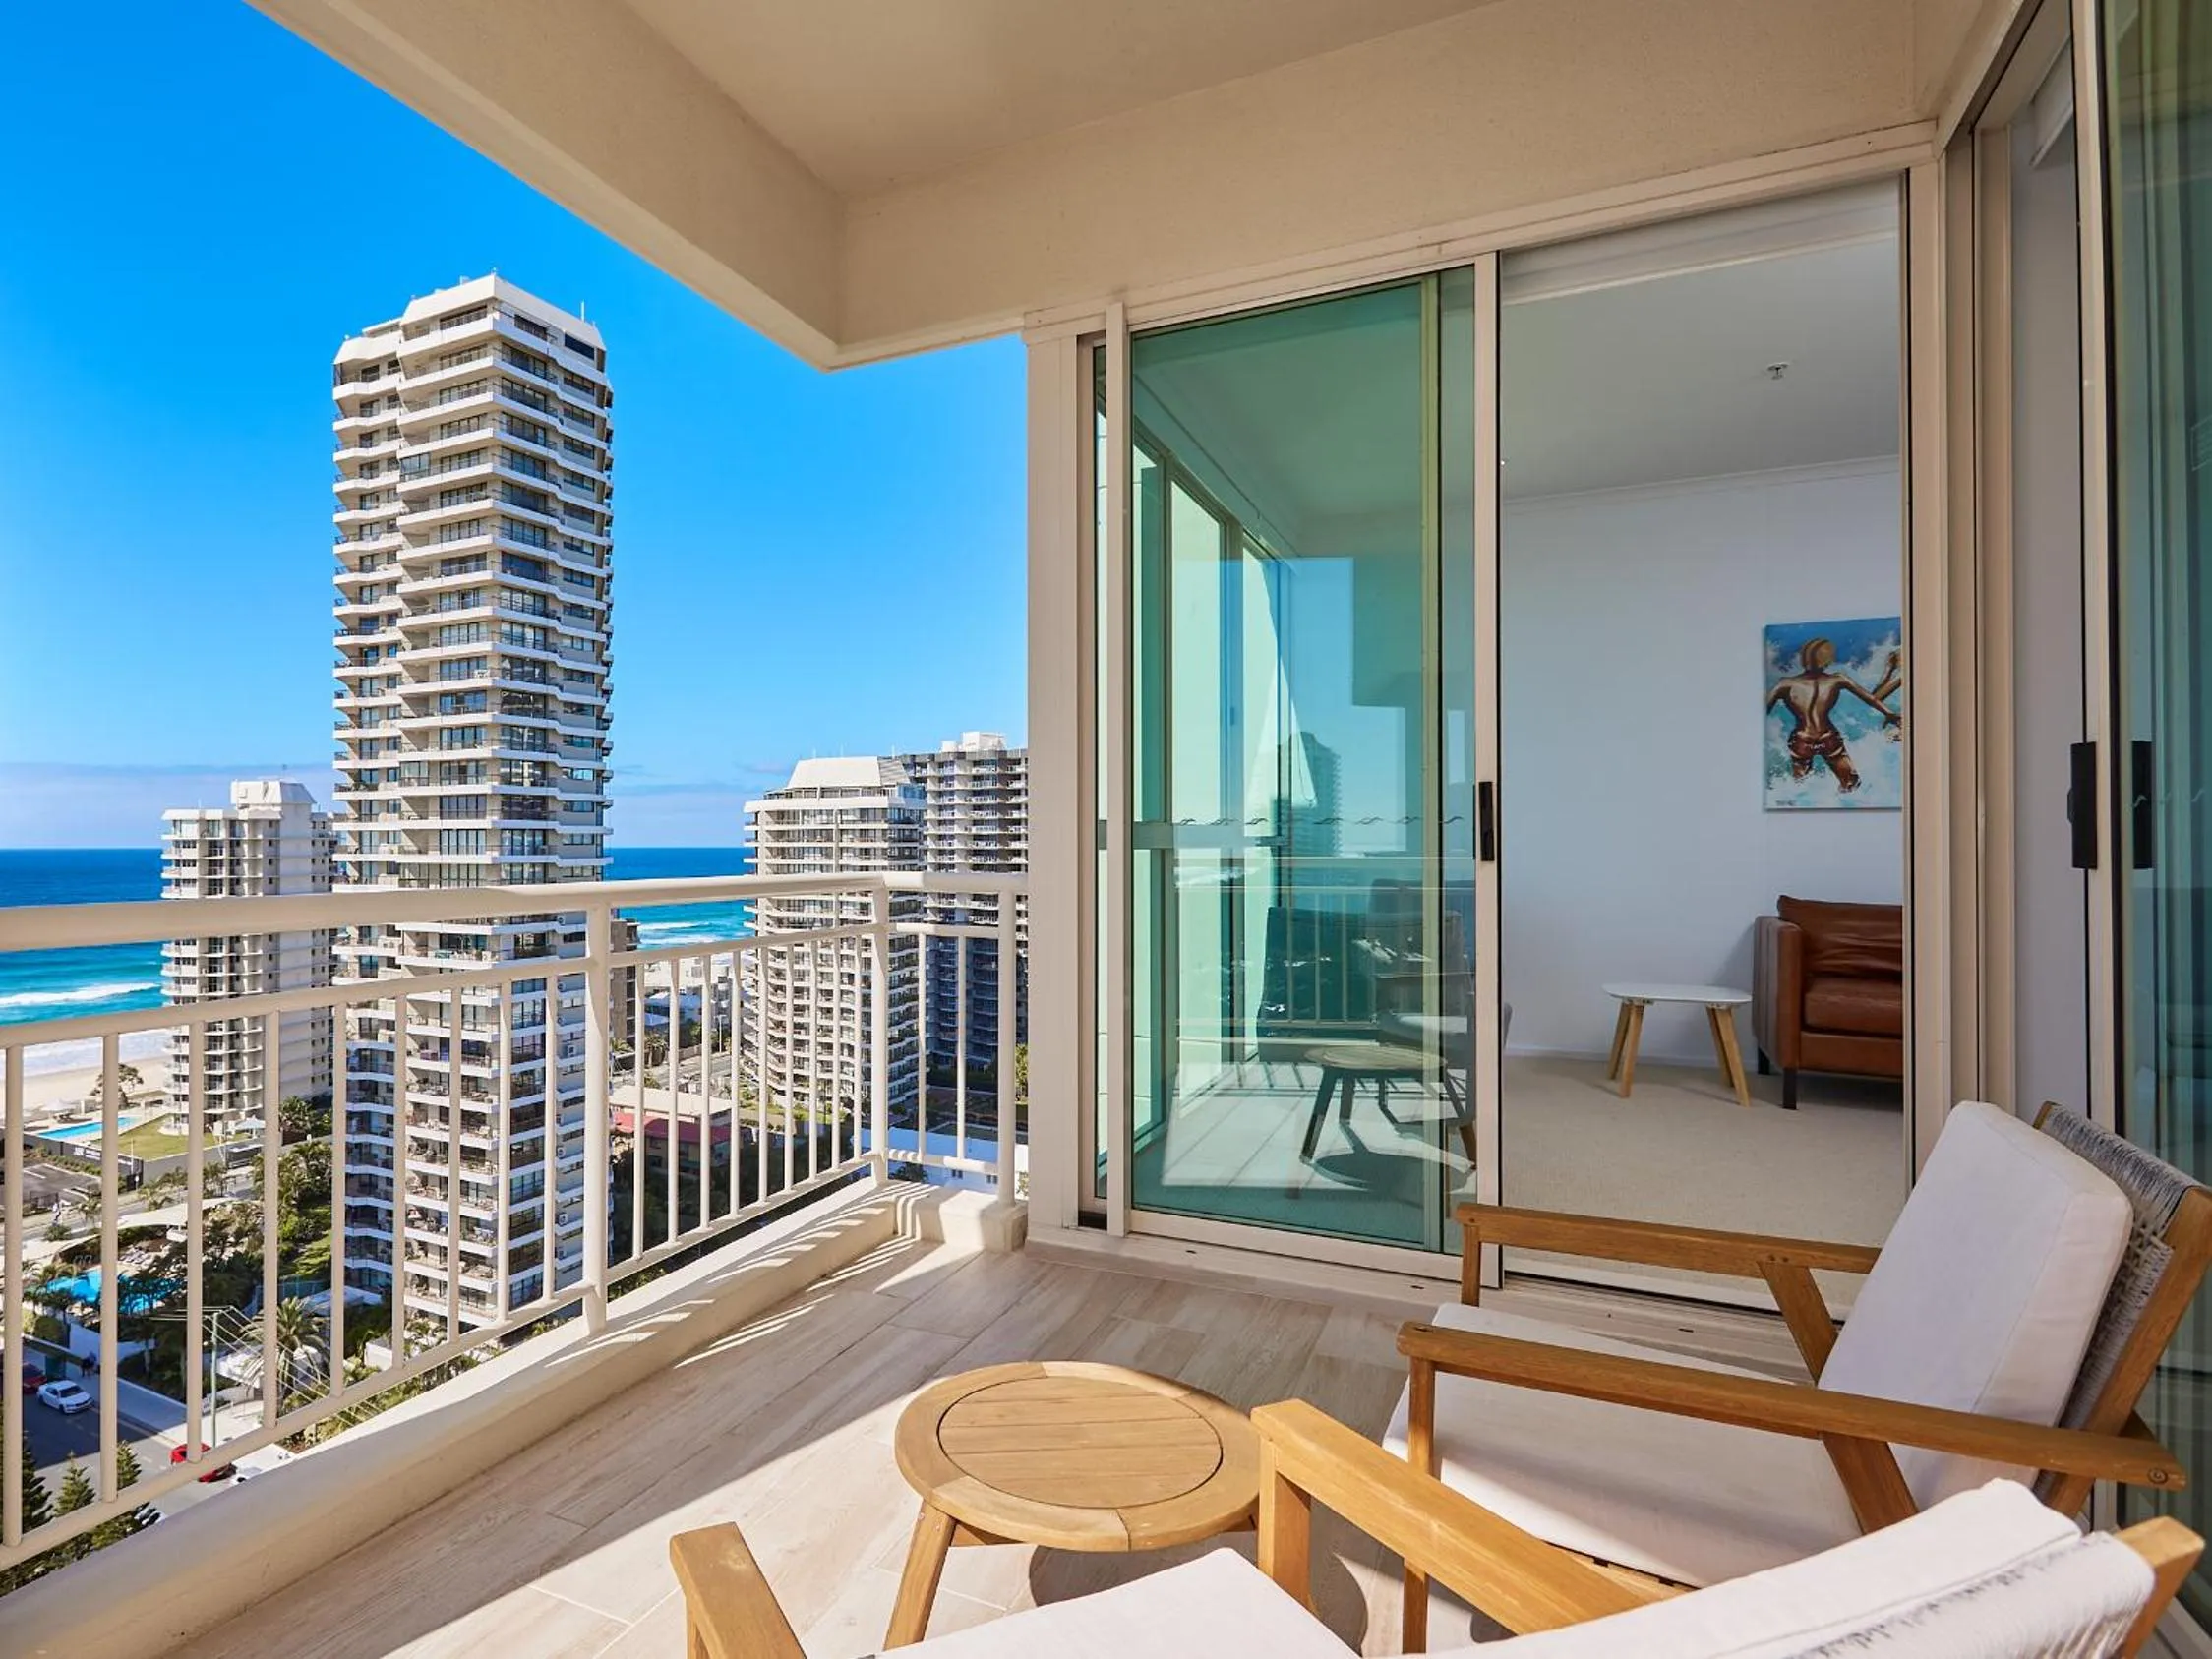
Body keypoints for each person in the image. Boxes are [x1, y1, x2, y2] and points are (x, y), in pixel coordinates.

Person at [1766, 638, 1901, 792]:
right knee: (1851, 783)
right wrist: (1890, 714)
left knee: (1800, 786)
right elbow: (1870, 699)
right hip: (1828, 738)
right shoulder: (1837, 679)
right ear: (1827, 660)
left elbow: (1761, 712)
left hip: (1801, 740)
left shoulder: (1785, 684)